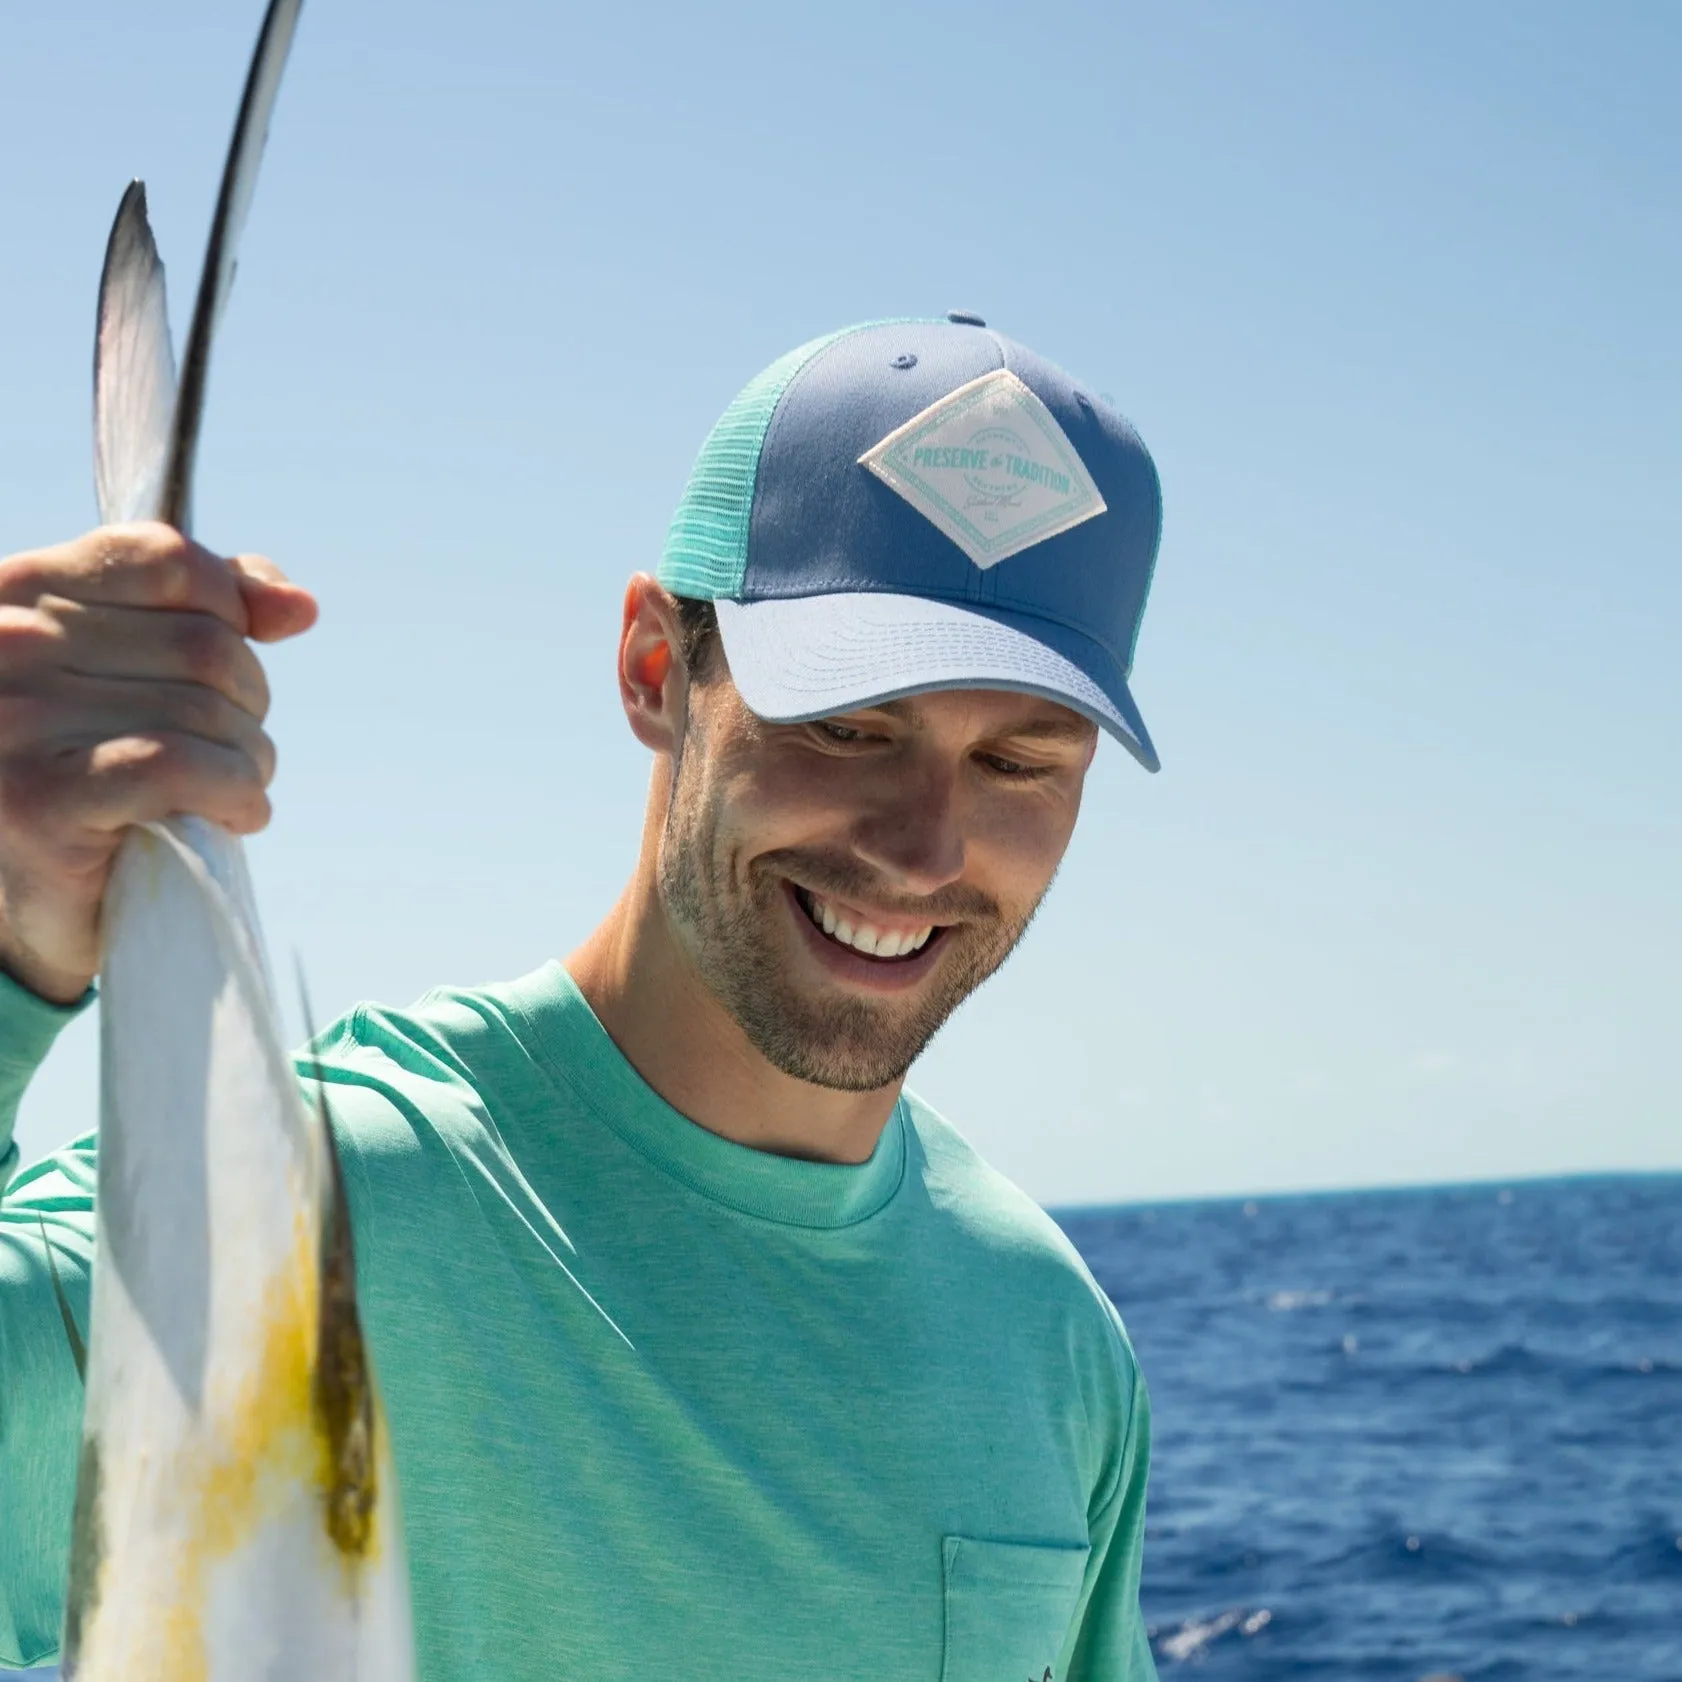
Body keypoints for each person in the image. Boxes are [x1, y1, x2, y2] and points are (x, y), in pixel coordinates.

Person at [0, 313, 1164, 1680]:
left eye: (1022, 762)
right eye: (849, 726)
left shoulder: (1046, 1336)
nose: (923, 846)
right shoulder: (316, 1219)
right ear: (656, 670)